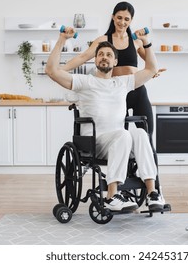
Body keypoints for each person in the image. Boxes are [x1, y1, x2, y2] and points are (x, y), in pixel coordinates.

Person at [45, 26, 165, 212]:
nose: (104, 57)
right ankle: (112, 196)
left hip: (118, 141)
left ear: (115, 61)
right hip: (94, 142)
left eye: (109, 55)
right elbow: (52, 71)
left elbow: (151, 69)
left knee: (140, 133)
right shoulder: (84, 81)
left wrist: (147, 42)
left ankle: (152, 193)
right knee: (124, 135)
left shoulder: (123, 82)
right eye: (101, 54)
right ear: (95, 60)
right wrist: (62, 39)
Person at [62, 1, 165, 145]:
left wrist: (152, 71)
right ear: (113, 17)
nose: (122, 22)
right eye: (119, 17)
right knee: (120, 136)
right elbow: (82, 57)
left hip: (136, 91)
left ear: (131, 21)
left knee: (147, 135)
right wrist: (59, 71)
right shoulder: (104, 40)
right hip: (115, 93)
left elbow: (150, 61)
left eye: (126, 19)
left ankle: (150, 166)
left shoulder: (135, 42)